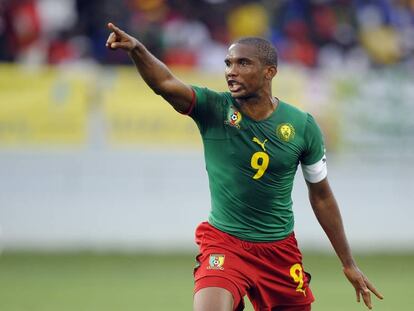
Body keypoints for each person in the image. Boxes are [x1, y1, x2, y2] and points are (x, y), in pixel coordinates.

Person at [105, 22, 383, 311]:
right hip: (225, 244)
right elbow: (165, 83)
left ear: (269, 72)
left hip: (279, 252)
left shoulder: (302, 126)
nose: (231, 71)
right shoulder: (214, 109)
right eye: (228, 63)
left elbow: (322, 195)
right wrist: (137, 49)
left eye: (243, 63)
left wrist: (348, 263)